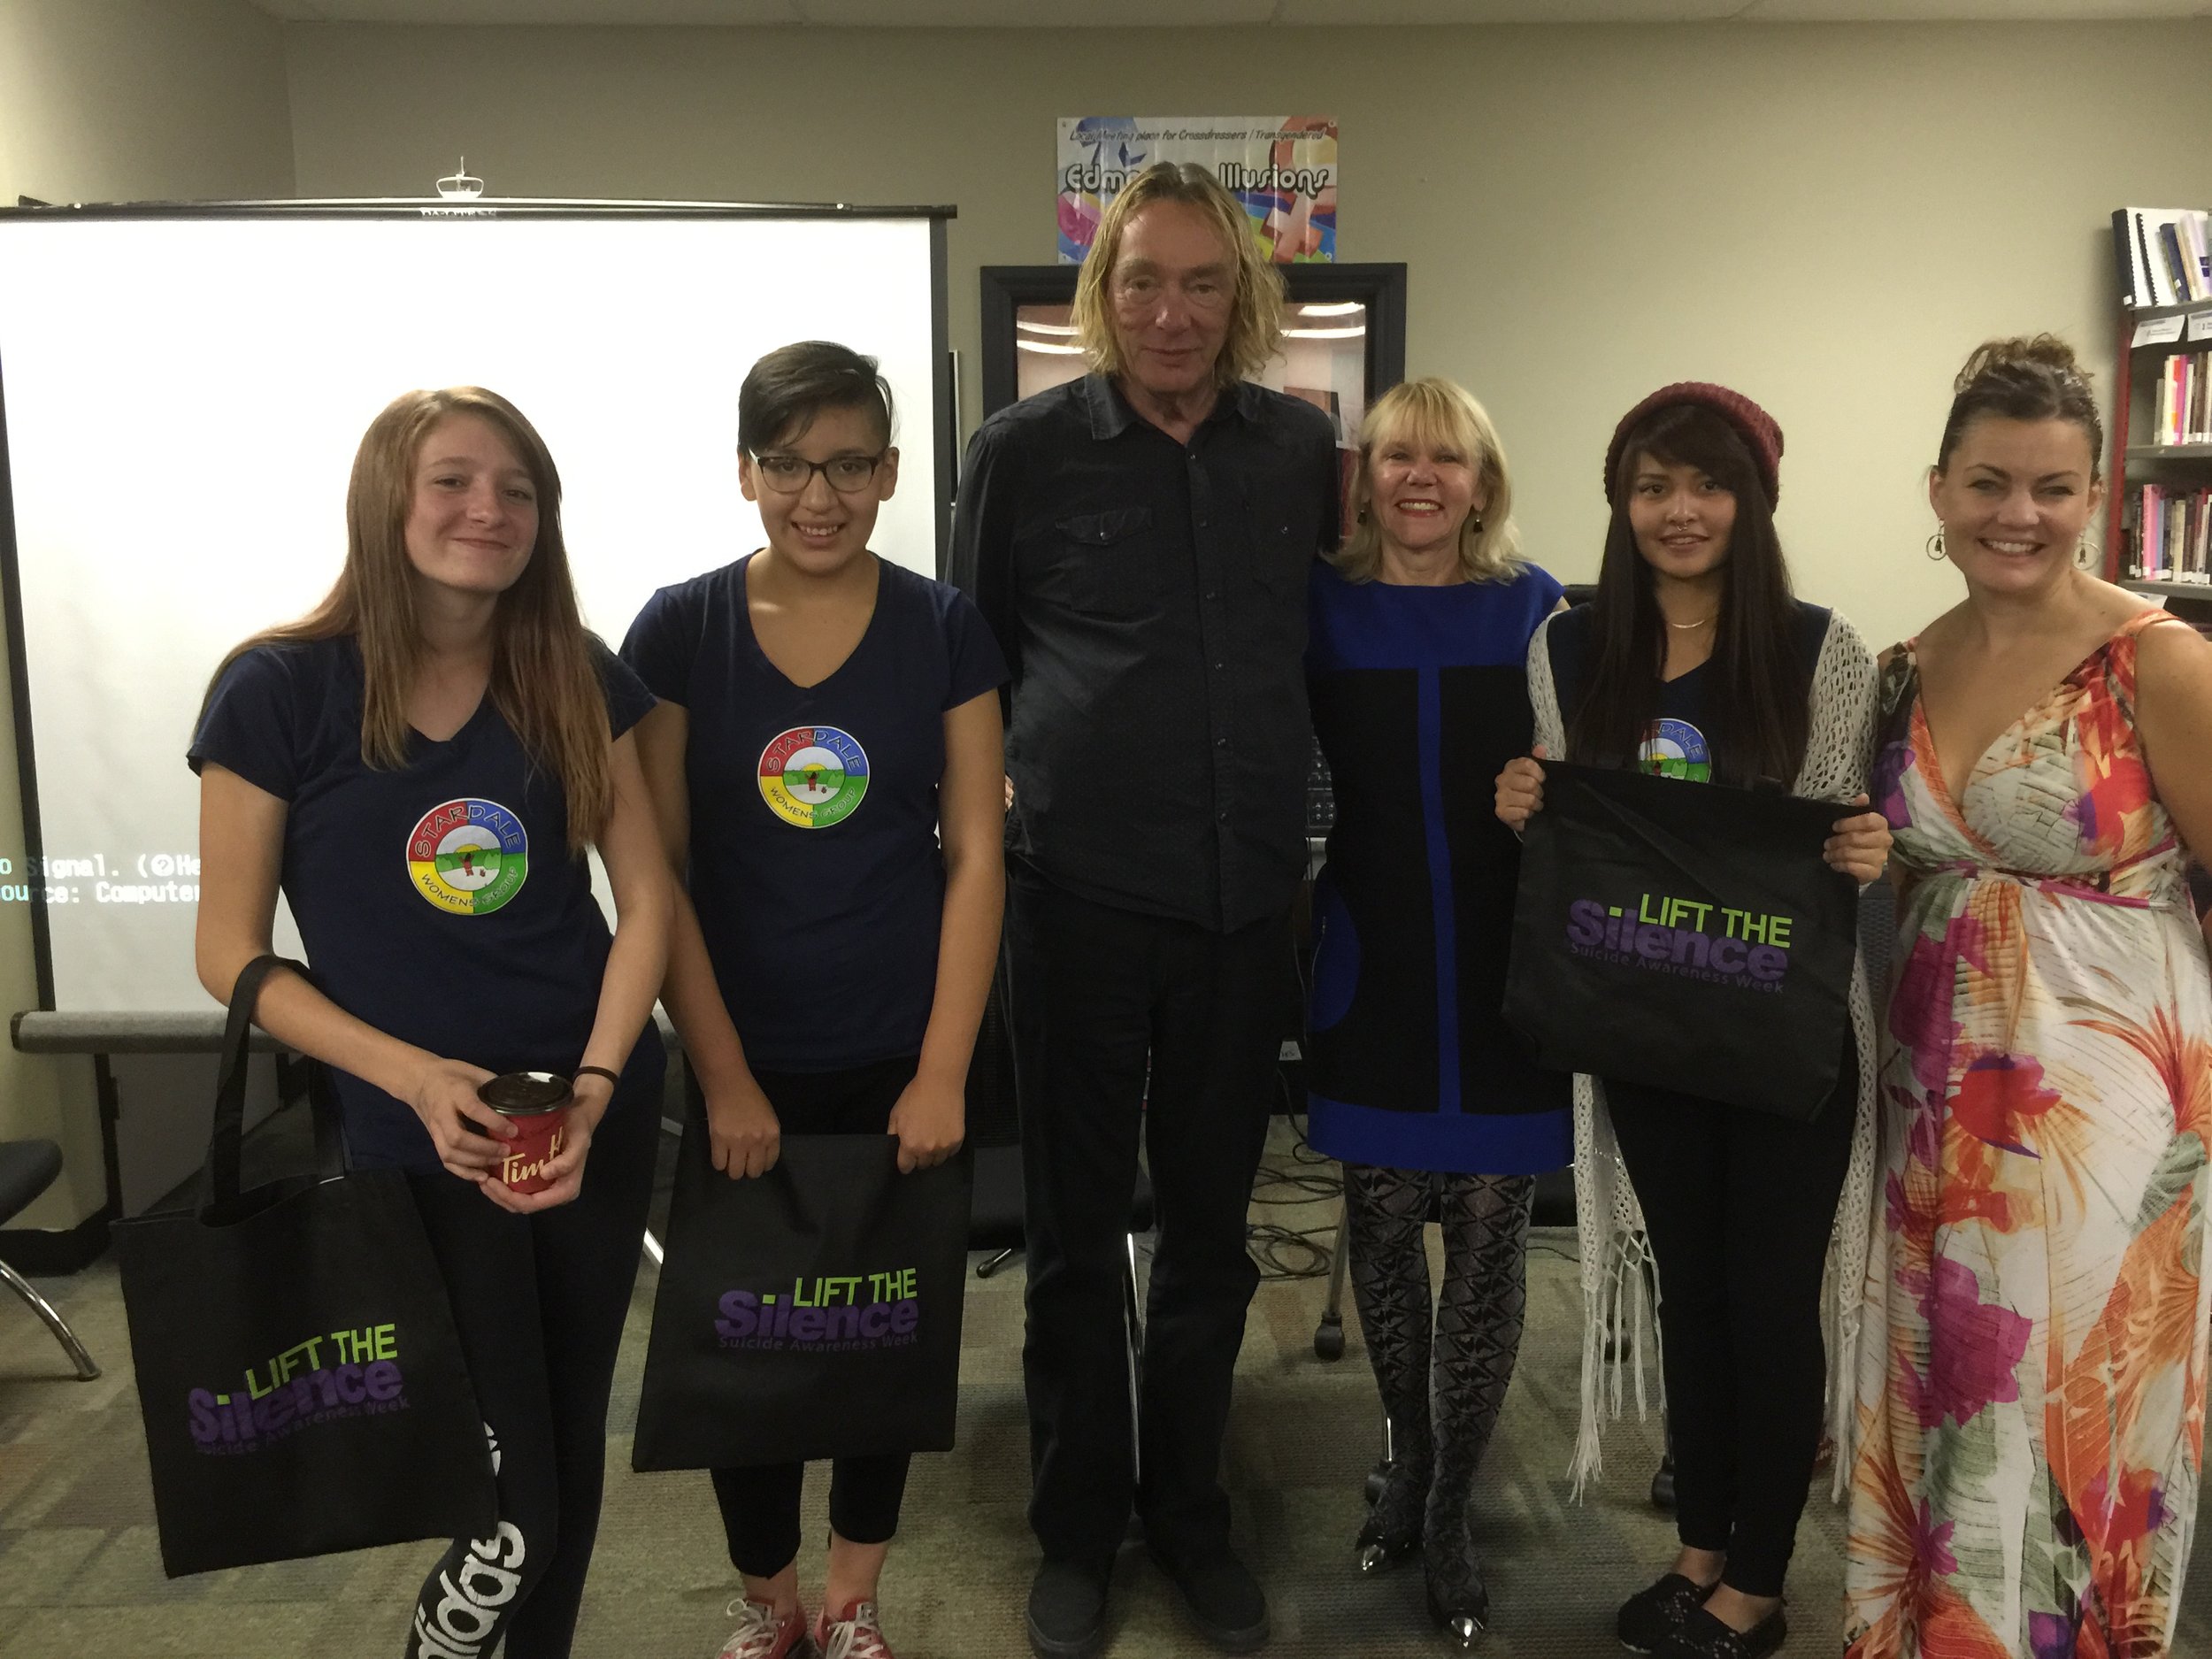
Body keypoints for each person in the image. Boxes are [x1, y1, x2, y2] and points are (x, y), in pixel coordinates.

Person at [191, 387, 673, 1659]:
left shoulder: (572, 671)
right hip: (423, 1140)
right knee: (507, 1500)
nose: (490, 510)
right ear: (387, 501)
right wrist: (409, 1079)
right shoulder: (276, 690)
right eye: (455, 480)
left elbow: (649, 907)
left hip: (585, 1115)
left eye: (519, 488)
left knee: (567, 1447)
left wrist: (601, 1086)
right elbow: (228, 953)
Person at [949, 160, 1340, 1659]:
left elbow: (1345, 630)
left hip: (1248, 913)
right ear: (1098, 296)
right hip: (1077, 904)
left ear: (1244, 299)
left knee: (1211, 1237)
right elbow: (970, 668)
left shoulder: (1297, 447)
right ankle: (1076, 1525)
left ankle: (1190, 1514)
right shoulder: (1026, 451)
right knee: (1065, 1239)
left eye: (1201, 284)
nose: (1172, 313)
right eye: (1142, 282)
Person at [1494, 383, 1891, 1659]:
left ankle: (1761, 1587)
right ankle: (1703, 1546)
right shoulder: (1566, 647)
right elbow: (1583, 838)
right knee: (1693, 1298)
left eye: (1709, 485)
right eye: (1654, 485)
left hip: (1786, 1038)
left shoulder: (1824, 652)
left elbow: (1832, 836)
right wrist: (1526, 810)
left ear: (1754, 500)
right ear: (1622, 500)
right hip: (1648, 1023)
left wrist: (1869, 845)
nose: (1681, 511)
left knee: (1771, 1302)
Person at [623, 341, 1006, 1659]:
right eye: (787, 465)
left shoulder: (945, 627)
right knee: (750, 1344)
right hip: (746, 1058)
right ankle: (769, 1606)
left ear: (892, 473)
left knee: (877, 1340)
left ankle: (853, 1605)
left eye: (849, 464)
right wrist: (720, 1074)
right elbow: (658, 871)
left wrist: (945, 1067)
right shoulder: (680, 630)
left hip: (899, 1053)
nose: (818, 495)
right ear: (746, 471)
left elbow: (977, 859)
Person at [1843, 337, 2212, 1659]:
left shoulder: (2155, 661)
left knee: (2063, 1416)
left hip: (2102, 1110)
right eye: (1989, 482)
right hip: (1936, 1088)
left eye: (2052, 489)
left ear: (2096, 492)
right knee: (1946, 1392)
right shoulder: (1897, 665)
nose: (2019, 515)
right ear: (1938, 490)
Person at [1302, 376, 1570, 1647]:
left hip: (1505, 977)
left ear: (1483, 481)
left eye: (1446, 459)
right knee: (1384, 1225)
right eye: (1397, 455)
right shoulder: (1321, 605)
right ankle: (1406, 1455)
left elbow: (1601, 782)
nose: (1419, 478)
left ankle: (1453, 1505)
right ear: (1367, 475)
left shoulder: (1537, 611)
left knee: (1490, 1245)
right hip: (1375, 965)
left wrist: (1547, 787)